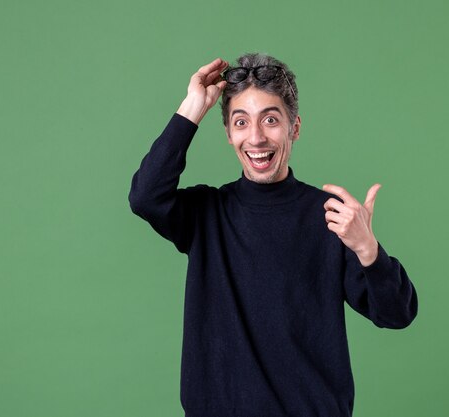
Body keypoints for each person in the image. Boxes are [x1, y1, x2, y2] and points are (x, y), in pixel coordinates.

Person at [129, 53, 418, 417]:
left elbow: (397, 313)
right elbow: (145, 196)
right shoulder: (207, 214)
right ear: (229, 134)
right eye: (240, 122)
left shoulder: (331, 217)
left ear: (294, 127)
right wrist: (192, 108)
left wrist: (368, 250)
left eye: (270, 119)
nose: (256, 138)